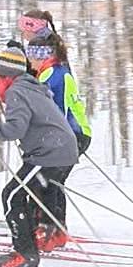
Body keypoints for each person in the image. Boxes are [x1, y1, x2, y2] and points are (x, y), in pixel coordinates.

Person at [0, 46, 79, 267]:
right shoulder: (29, 86)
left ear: (7, 78)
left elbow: (15, 129)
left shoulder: (17, 92)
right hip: (58, 150)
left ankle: (25, 254)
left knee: (12, 195)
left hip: (50, 153)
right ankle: (40, 239)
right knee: (26, 194)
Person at [24, 29, 92, 251]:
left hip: (71, 135)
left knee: (44, 181)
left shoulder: (53, 76)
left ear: (41, 56)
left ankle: (48, 231)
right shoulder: (53, 72)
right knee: (52, 182)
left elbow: (56, 114)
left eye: (31, 56)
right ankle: (57, 230)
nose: (29, 61)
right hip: (72, 135)